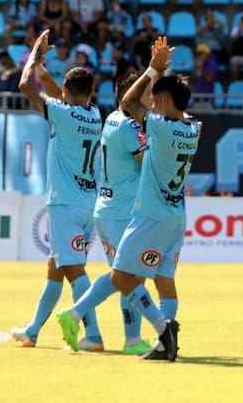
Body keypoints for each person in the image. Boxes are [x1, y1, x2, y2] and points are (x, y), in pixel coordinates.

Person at [57, 36, 200, 362]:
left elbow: (138, 108)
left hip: (133, 211)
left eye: (155, 96)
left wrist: (156, 70)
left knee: (126, 276)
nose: (151, 101)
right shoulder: (180, 127)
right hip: (152, 213)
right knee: (147, 278)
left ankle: (155, 331)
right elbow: (175, 115)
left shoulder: (139, 124)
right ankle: (159, 337)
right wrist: (163, 72)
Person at [11, 30, 104, 350]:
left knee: (74, 271)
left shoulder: (63, 115)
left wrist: (33, 59)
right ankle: (33, 330)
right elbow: (56, 92)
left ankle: (93, 335)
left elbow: (25, 88)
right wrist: (43, 70)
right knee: (55, 267)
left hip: (64, 201)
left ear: (67, 91)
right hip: (86, 202)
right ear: (90, 91)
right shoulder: (94, 114)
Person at [89, 72, 154, 355]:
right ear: (131, 97)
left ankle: (131, 339)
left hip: (113, 208)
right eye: (145, 95)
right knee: (125, 276)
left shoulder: (113, 120)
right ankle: (76, 313)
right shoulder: (128, 126)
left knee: (129, 276)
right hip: (119, 211)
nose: (149, 101)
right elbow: (149, 162)